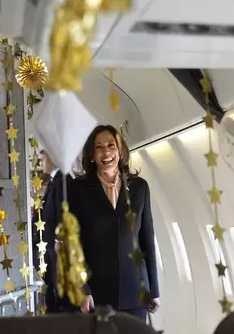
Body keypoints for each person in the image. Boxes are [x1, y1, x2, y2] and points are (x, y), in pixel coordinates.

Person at [69, 125, 160, 320]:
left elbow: (147, 242)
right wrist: (83, 289)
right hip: (97, 291)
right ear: (92, 155)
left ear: (120, 151)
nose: (106, 151)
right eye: (99, 147)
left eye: (111, 145)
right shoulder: (78, 189)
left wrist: (154, 290)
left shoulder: (139, 187)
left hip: (136, 289)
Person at [32, 147, 74, 312]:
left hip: (57, 253)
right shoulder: (54, 181)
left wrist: (58, 242)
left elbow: (64, 215)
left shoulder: (63, 181)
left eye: (43, 159)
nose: (41, 163)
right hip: (49, 252)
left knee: (58, 302)